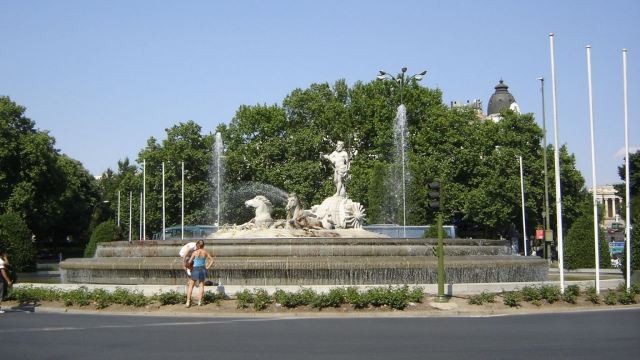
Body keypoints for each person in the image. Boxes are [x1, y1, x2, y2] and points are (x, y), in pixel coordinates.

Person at [185, 240, 214, 307]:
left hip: (195, 269)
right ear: (203, 245)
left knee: (191, 286)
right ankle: (199, 302)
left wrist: (190, 268)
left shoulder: (195, 252)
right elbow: (212, 260)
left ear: (197, 245)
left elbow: (189, 262)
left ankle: (188, 302)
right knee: (201, 286)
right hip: (202, 269)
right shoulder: (205, 252)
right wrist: (207, 267)